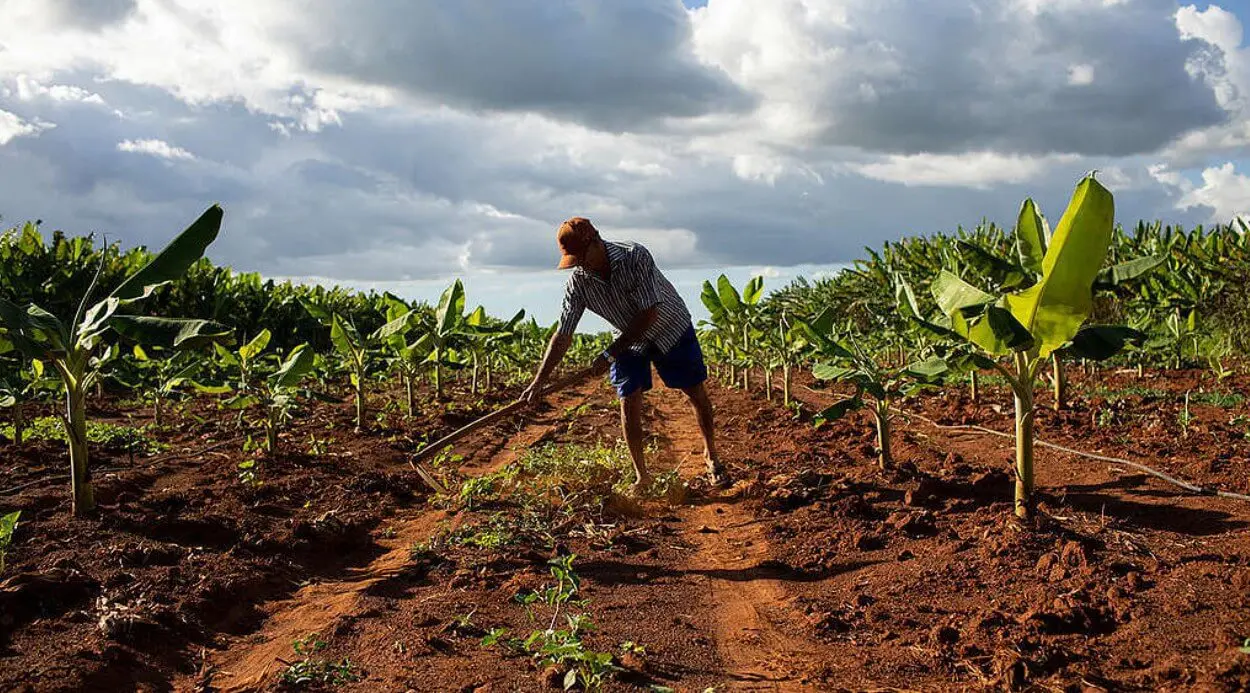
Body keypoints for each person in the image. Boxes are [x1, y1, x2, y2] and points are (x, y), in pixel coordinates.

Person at [520, 216, 727, 491]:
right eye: (574, 261)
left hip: (669, 326)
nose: (580, 265)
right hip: (629, 340)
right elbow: (563, 333)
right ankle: (642, 476)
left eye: (581, 257)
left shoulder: (634, 256)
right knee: (628, 400)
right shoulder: (579, 283)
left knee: (695, 393)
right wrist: (539, 381)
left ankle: (711, 456)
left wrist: (609, 355)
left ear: (594, 242)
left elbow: (649, 313)